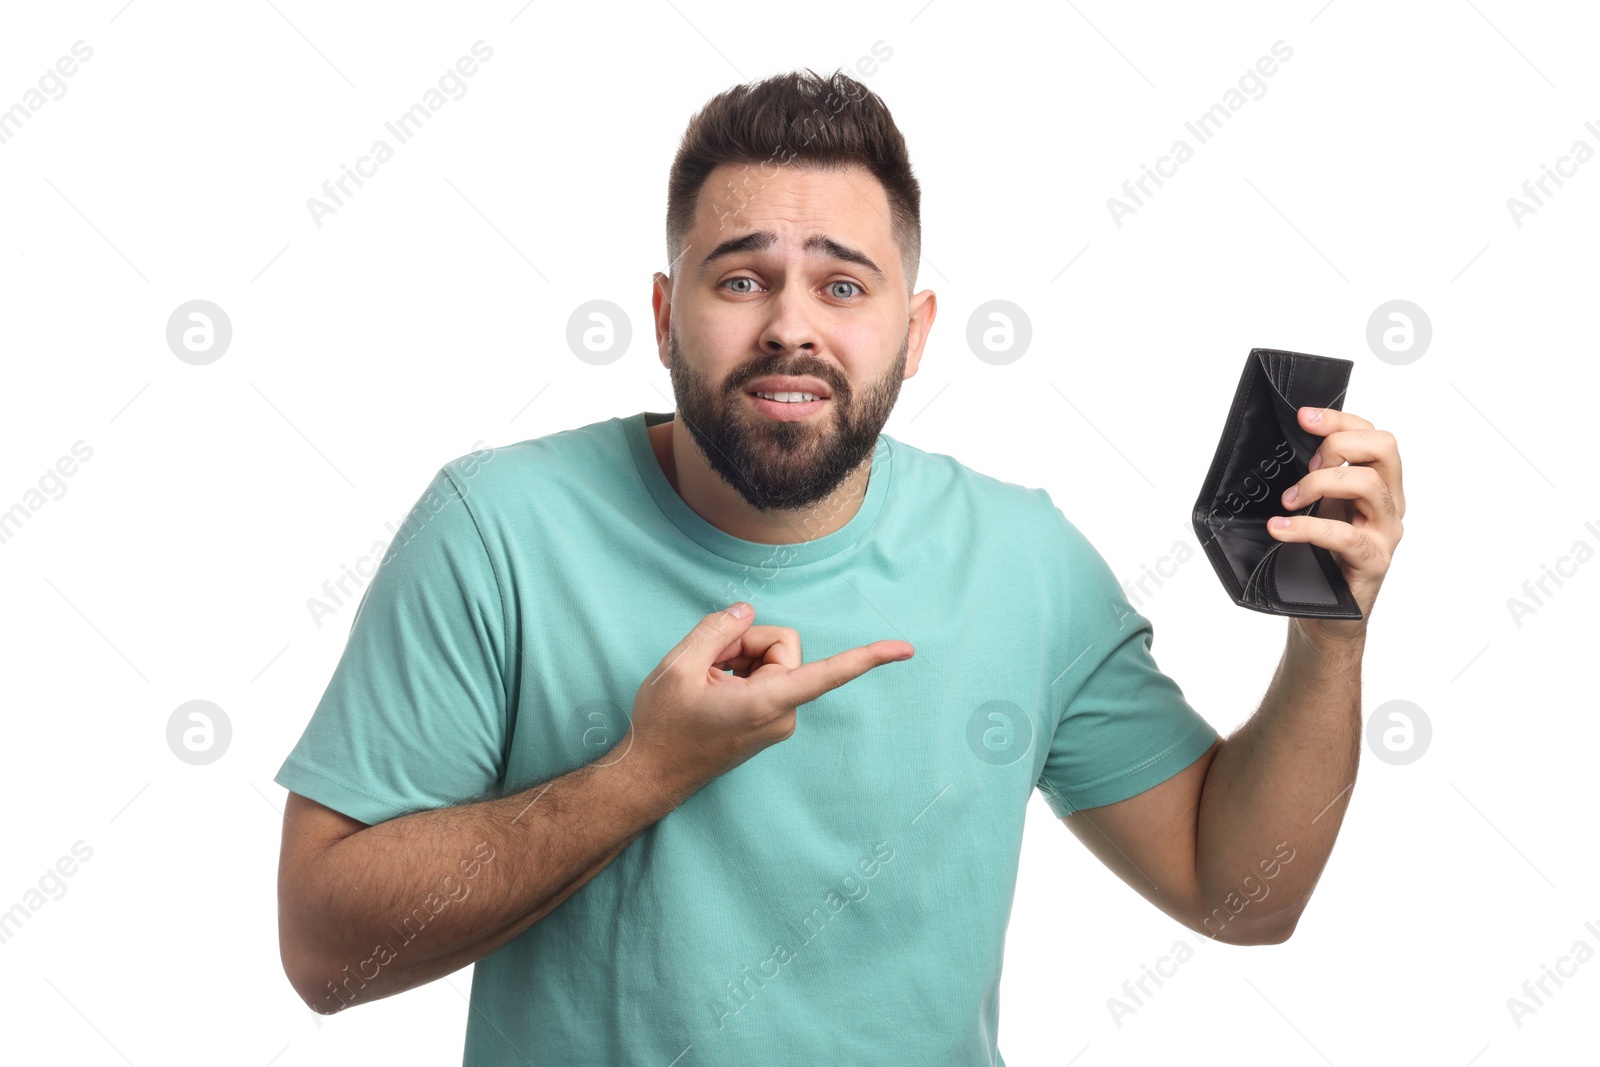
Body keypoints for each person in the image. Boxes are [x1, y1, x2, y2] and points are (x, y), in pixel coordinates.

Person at [273, 68, 1405, 1065]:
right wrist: (644, 772)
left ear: (915, 332)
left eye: (844, 285)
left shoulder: (1024, 561)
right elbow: (325, 950)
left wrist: (1328, 637)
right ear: (666, 316)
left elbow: (1238, 891)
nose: (789, 326)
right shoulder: (496, 529)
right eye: (739, 278)